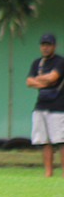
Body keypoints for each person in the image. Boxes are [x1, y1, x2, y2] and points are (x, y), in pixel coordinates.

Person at [26, 31, 64, 176]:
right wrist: (44, 80)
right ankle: (48, 172)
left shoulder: (60, 61)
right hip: (40, 106)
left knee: (61, 141)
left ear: (54, 46)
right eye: (43, 44)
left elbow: (53, 77)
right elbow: (28, 81)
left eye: (48, 45)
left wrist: (38, 80)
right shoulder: (37, 63)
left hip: (58, 108)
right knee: (44, 141)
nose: (45, 48)